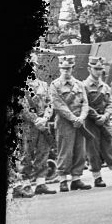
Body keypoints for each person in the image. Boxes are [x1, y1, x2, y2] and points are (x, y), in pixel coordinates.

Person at [82, 57, 112, 187]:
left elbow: (110, 103)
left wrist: (106, 116)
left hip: (105, 120)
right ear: (89, 69)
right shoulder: (83, 86)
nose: (98, 71)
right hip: (91, 121)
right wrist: (96, 116)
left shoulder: (106, 87)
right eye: (96, 69)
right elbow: (84, 104)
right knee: (92, 149)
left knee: (111, 146)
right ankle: (97, 177)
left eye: (100, 69)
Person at [48, 55, 91, 191]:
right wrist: (74, 119)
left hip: (79, 122)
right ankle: (62, 180)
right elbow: (58, 105)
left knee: (80, 151)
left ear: (72, 68)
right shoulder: (55, 85)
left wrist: (82, 117)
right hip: (64, 123)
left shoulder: (79, 85)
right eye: (63, 68)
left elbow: (85, 103)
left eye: (68, 68)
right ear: (60, 69)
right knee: (65, 151)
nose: (66, 71)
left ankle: (76, 179)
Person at [17, 75, 56, 197]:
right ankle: (26, 185)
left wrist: (45, 118)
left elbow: (50, 103)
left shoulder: (44, 85)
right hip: (28, 126)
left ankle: (41, 184)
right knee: (26, 155)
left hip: (43, 124)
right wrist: (36, 120)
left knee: (43, 153)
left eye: (33, 64)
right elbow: (21, 105)